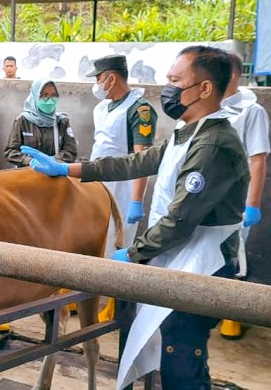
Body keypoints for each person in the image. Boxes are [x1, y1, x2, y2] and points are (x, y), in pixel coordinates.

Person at [23, 45, 248, 390]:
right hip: (176, 256)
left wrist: (131, 253)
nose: (167, 88)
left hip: (201, 262)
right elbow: (134, 162)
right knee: (162, 348)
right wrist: (68, 168)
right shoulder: (188, 131)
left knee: (182, 360)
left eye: (175, 80)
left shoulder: (213, 144)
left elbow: (180, 220)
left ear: (204, 88)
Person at [87, 54, 158, 322]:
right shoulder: (102, 108)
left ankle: (116, 301)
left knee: (120, 241)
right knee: (94, 237)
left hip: (124, 186)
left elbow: (142, 160)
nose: (96, 84)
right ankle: (86, 292)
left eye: (97, 78)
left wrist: (137, 201)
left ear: (111, 78)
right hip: (98, 181)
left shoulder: (139, 110)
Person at [218, 52, 270, 339]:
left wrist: (253, 204)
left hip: (238, 197)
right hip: (212, 195)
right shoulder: (211, 107)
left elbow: (258, 159)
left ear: (233, 75)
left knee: (236, 257)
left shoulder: (252, 111)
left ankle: (231, 314)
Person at [4, 78, 77, 167]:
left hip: (55, 173)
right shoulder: (22, 121)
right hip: (28, 174)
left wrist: (53, 160)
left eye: (54, 95)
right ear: (35, 97)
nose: (50, 100)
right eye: (44, 95)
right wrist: (30, 161)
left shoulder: (61, 122)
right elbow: (11, 151)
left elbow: (71, 151)